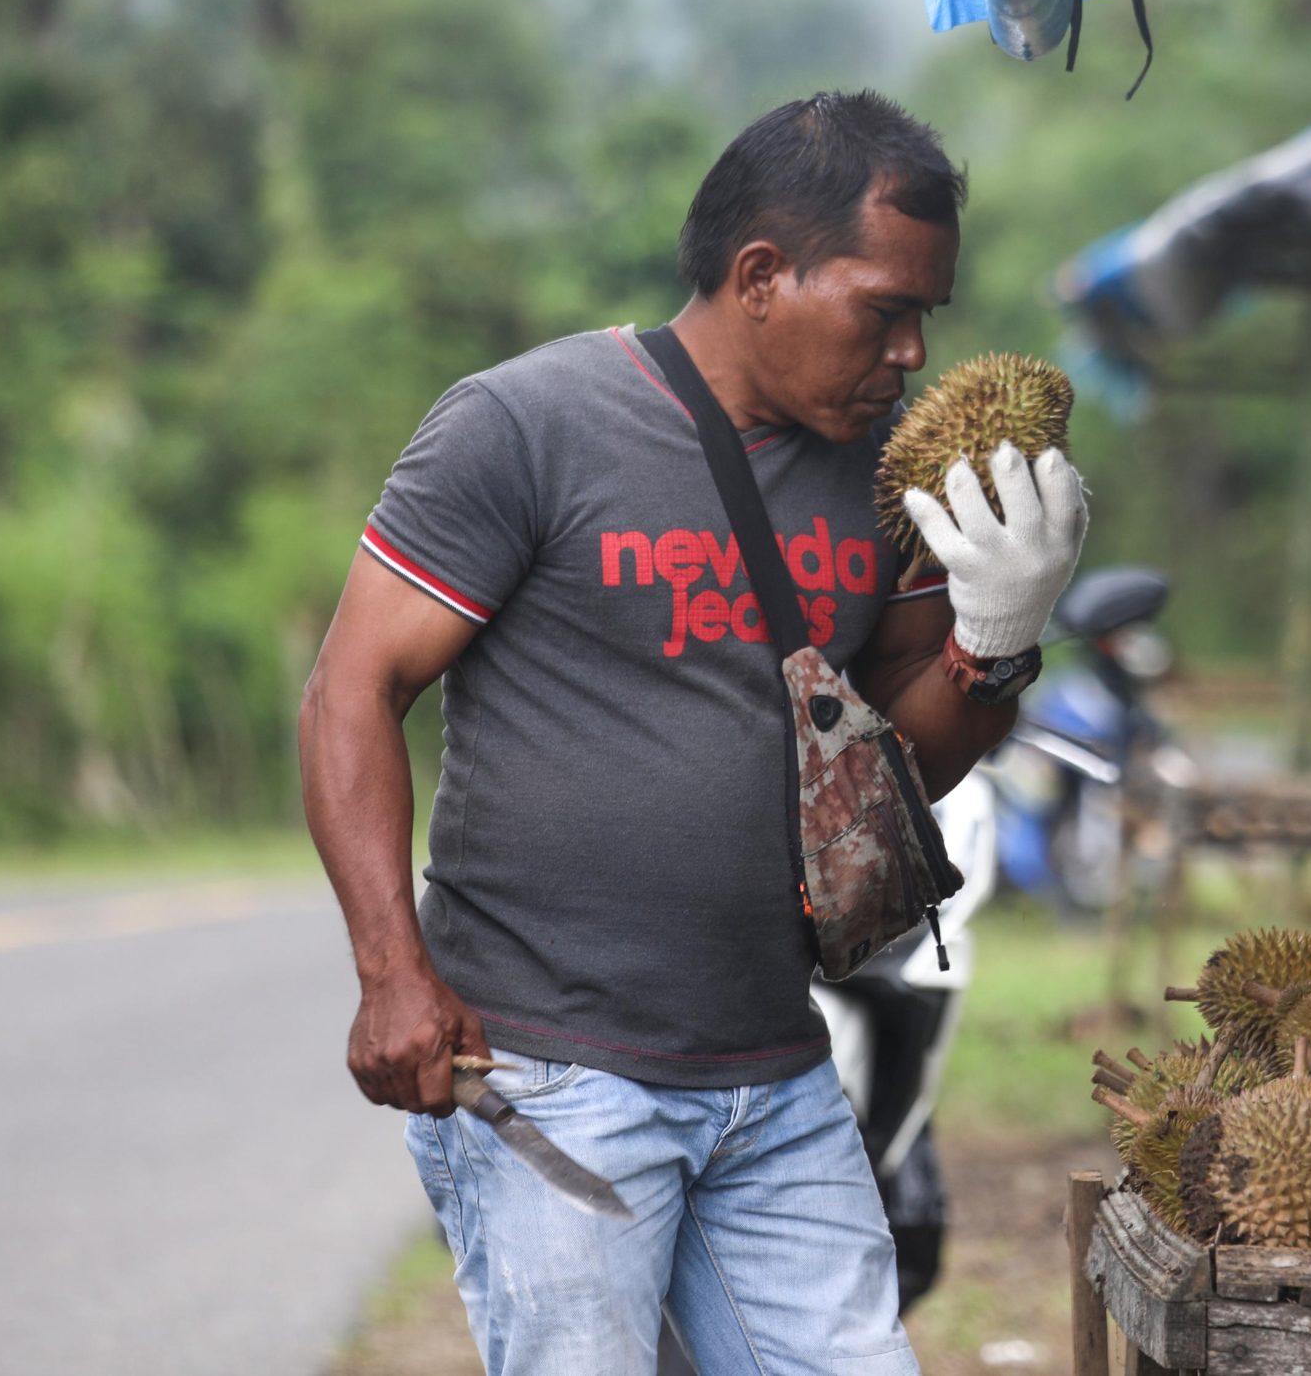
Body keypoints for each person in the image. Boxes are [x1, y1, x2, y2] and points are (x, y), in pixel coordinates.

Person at [297, 91, 1088, 1376]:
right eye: (882, 309)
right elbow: (351, 690)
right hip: (554, 1075)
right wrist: (392, 972)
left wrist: (995, 639)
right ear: (761, 275)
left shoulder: (891, 474)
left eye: (924, 318)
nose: (907, 355)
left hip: (775, 1071)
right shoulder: (526, 423)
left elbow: (892, 772)